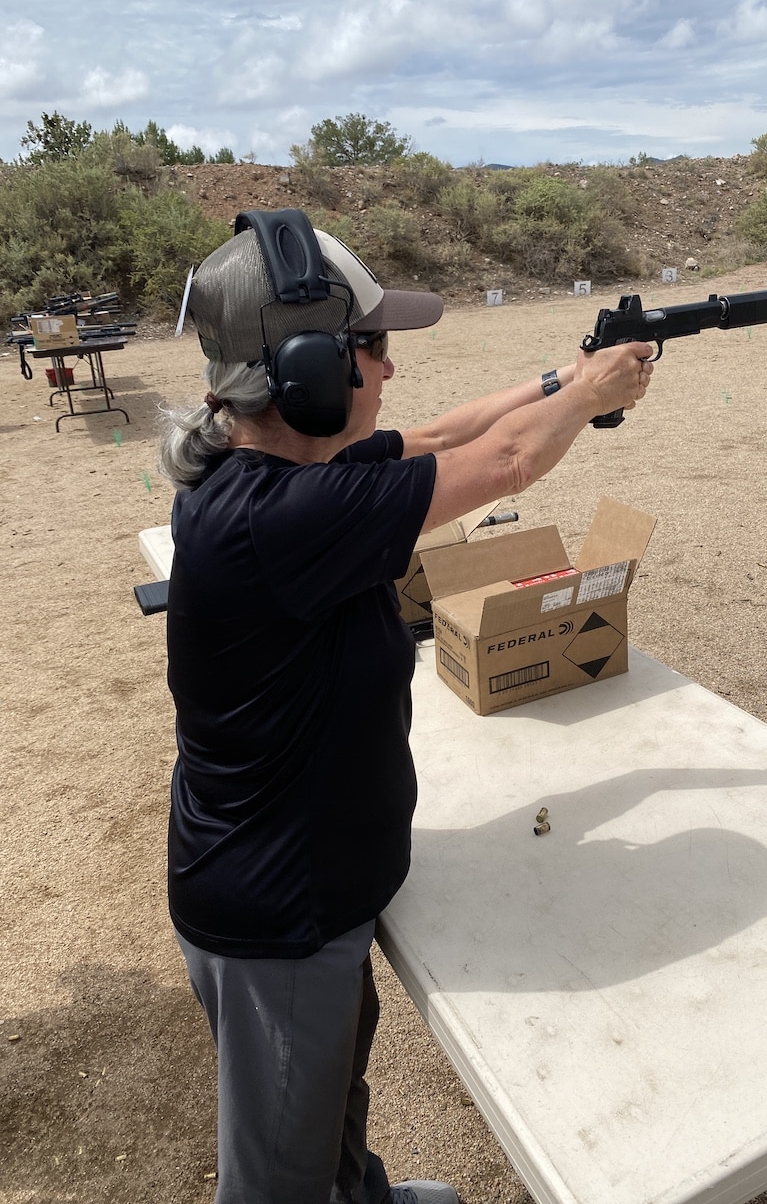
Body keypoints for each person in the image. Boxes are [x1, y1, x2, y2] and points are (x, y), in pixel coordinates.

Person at [158, 209, 654, 1204]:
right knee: (276, 1181)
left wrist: (566, 378)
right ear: (304, 372)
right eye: (371, 348)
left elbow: (431, 435)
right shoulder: (285, 518)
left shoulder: (276, 470)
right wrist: (599, 392)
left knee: (335, 1094)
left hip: (314, 885)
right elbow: (505, 464)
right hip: (280, 914)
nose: (388, 369)